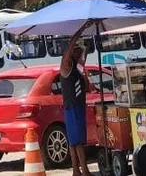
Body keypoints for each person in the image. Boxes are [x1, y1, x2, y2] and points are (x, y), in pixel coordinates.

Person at [60, 20, 93, 176]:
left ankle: (76, 170)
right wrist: (83, 28)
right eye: (77, 51)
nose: (80, 54)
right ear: (71, 53)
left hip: (78, 106)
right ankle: (84, 170)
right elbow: (71, 45)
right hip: (72, 107)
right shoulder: (66, 66)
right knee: (77, 141)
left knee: (75, 141)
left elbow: (85, 53)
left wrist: (92, 32)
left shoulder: (78, 68)